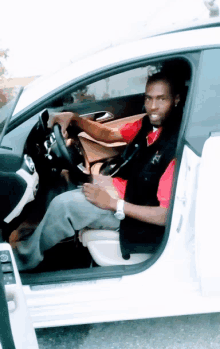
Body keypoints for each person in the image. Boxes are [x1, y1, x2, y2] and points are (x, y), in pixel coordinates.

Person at [13, 72, 183, 270]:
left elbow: (165, 215)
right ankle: (28, 236)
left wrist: (112, 204)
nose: (152, 106)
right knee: (63, 180)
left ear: (176, 100)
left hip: (133, 217)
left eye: (161, 99)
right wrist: (76, 119)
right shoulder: (148, 125)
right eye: (148, 98)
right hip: (127, 190)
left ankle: (20, 260)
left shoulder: (175, 147)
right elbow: (109, 134)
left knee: (64, 206)